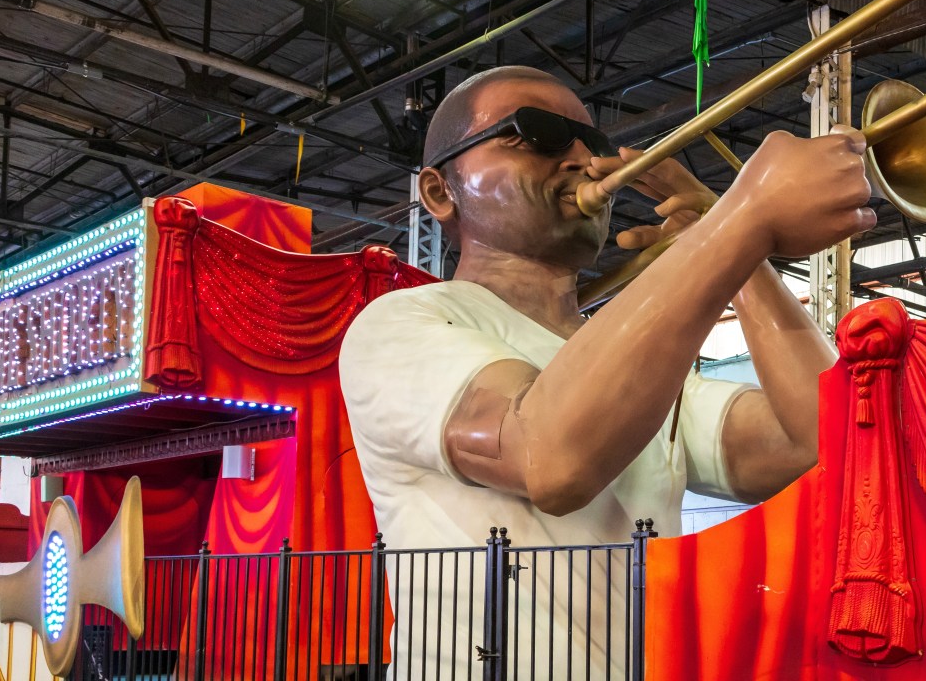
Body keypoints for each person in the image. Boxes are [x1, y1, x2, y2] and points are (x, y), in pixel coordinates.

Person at [340, 65, 874, 679]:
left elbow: (821, 446)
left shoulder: (639, 370)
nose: (581, 160)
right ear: (440, 193)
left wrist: (742, 255)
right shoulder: (401, 323)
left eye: (590, 144)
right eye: (534, 134)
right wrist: (743, 220)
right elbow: (550, 457)